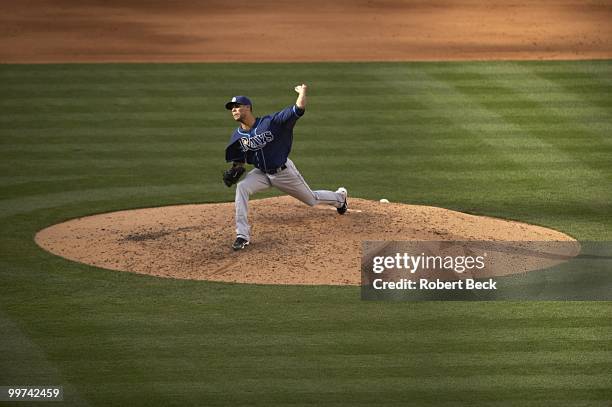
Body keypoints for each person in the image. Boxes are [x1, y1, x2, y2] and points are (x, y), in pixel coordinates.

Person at [223, 84, 348, 251]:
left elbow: (298, 109)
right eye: (232, 108)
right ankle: (242, 235)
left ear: (248, 107)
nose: (234, 110)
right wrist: (235, 169)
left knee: (311, 200)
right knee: (242, 187)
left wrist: (302, 92)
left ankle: (340, 198)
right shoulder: (237, 135)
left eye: (237, 106)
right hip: (261, 173)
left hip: (283, 172)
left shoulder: (271, 122)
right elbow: (240, 159)